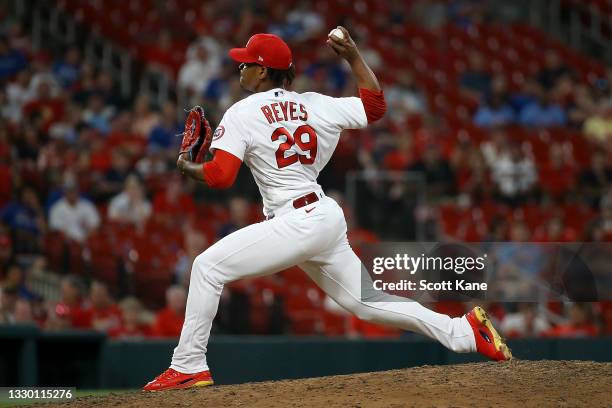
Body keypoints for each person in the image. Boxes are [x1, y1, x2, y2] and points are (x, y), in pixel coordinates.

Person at [144, 28, 511, 392]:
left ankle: (188, 365)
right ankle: (464, 332)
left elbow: (221, 177)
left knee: (207, 267)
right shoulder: (315, 103)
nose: (240, 70)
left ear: (263, 71)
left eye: (246, 64)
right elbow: (375, 107)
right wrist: (352, 56)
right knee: (369, 303)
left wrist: (186, 166)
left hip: (296, 220)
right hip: (323, 215)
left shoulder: (242, 111)